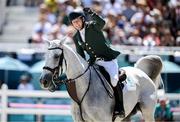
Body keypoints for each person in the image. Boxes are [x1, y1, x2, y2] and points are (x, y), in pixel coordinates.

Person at [68, 8, 125, 118]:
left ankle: (119, 107)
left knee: (113, 81)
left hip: (108, 60)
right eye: (74, 22)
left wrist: (92, 13)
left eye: (78, 21)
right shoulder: (76, 37)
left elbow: (102, 23)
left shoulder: (93, 26)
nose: (76, 24)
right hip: (95, 62)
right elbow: (81, 55)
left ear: (83, 19)